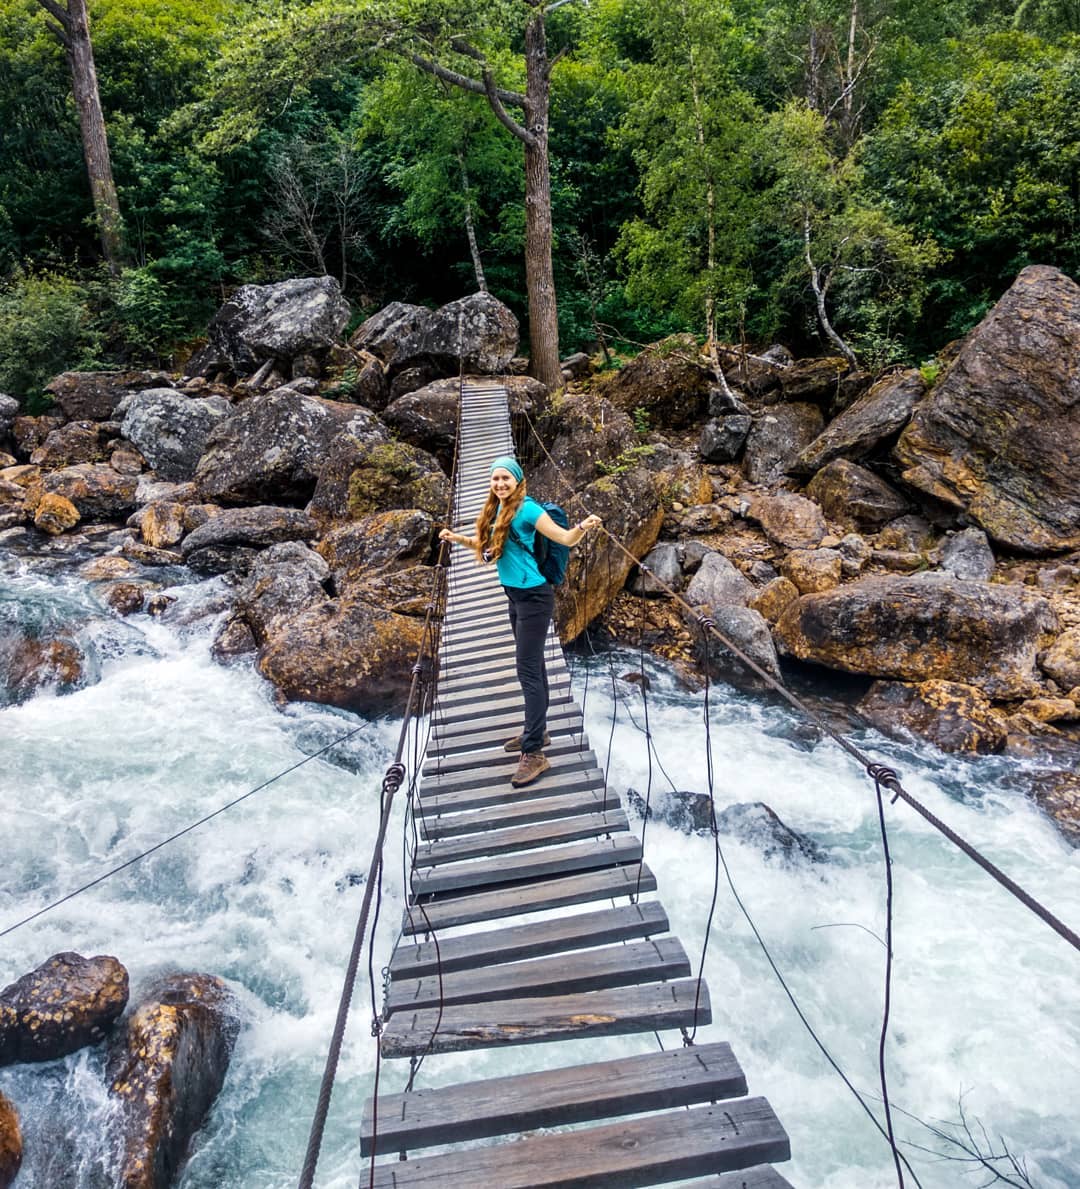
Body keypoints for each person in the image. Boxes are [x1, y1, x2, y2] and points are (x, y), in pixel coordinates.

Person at [439, 456, 602, 788]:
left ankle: (534, 754)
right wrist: (456, 539)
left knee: (527, 671)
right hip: (514, 595)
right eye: (495, 478)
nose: (500, 484)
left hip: (534, 598)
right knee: (534, 666)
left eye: (505, 479)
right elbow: (488, 548)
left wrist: (583, 528)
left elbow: (565, 539)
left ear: (517, 480)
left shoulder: (528, 509)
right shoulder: (495, 509)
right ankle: (537, 733)